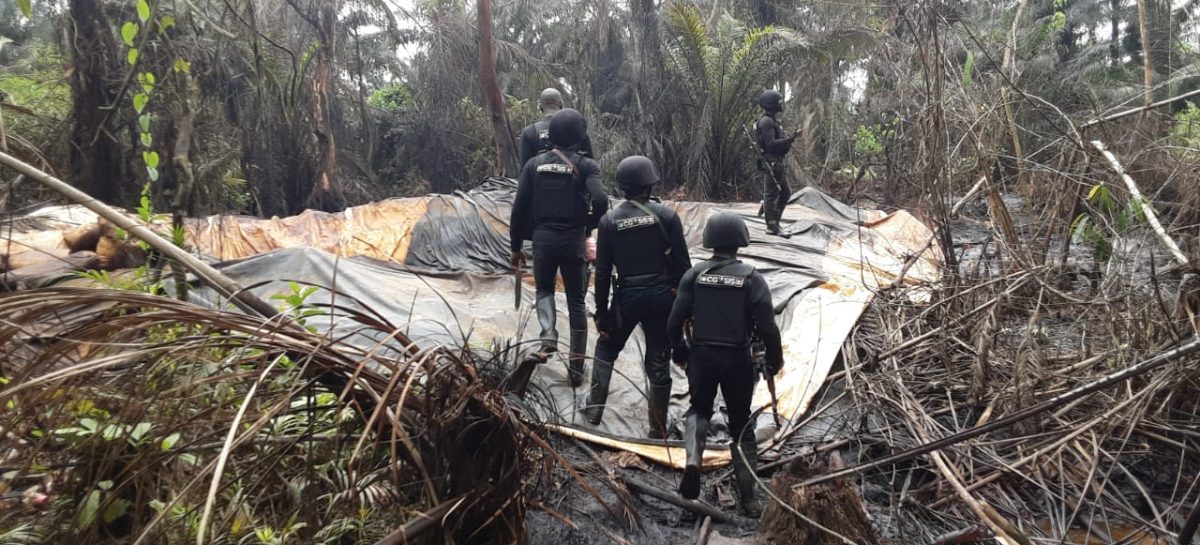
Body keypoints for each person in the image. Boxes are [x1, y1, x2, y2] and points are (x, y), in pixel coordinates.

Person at [667, 212, 783, 517]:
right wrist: (775, 359)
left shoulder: (694, 275)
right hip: (738, 360)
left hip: (702, 356)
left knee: (699, 409)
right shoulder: (752, 278)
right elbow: (768, 328)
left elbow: (674, 322)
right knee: (741, 424)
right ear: (740, 241)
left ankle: (693, 461)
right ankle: (749, 498)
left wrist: (680, 352)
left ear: (709, 241)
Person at [582, 156, 692, 438]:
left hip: (627, 296)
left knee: (606, 348)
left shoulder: (608, 221)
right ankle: (657, 428)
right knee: (658, 358)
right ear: (650, 182)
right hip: (663, 297)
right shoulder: (667, 216)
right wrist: (685, 305)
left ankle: (594, 410)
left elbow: (603, 271)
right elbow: (683, 265)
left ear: (622, 186)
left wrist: (602, 313)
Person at [510, 108, 608, 386]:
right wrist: (589, 225)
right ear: (580, 135)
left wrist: (516, 246)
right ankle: (577, 371)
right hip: (573, 239)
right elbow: (601, 200)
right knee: (577, 302)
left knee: (544, 289)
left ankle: (548, 334)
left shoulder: (533, 165)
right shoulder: (587, 166)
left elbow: (518, 210)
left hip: (542, 239)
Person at [755, 90, 801, 237]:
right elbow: (771, 144)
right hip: (772, 163)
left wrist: (789, 140)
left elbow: (779, 145)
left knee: (785, 193)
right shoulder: (766, 121)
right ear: (771, 104)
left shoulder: (774, 121)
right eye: (779, 101)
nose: (781, 104)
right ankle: (771, 226)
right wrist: (791, 138)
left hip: (778, 162)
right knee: (771, 195)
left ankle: (775, 220)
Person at [519, 88, 595, 167]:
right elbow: (591, 165)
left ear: (541, 107)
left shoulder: (529, 132)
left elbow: (524, 170)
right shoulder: (577, 128)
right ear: (561, 104)